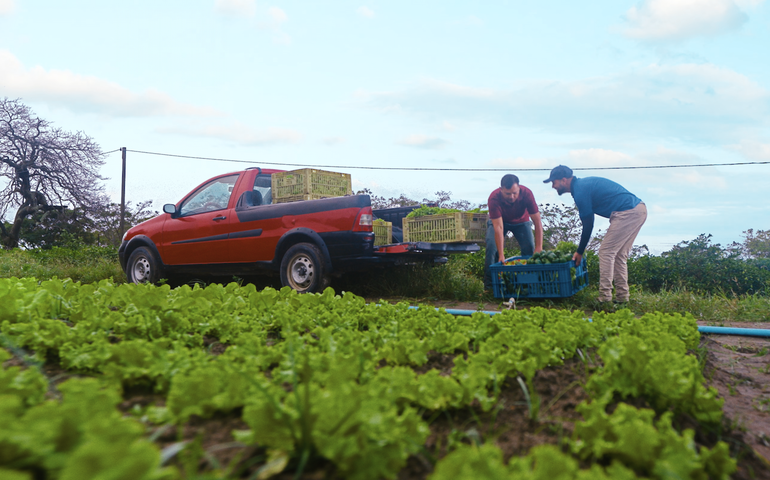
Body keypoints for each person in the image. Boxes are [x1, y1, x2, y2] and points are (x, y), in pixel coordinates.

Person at [543, 165, 647, 304]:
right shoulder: (580, 186)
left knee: (606, 252)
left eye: (553, 182)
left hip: (628, 212)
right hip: (638, 209)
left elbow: (588, 224)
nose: (553, 186)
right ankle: (622, 298)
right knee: (619, 255)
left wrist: (580, 251)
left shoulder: (580, 190)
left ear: (563, 180)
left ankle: (605, 298)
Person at [484, 174, 543, 290]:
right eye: (508, 193)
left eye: (514, 193)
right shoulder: (494, 198)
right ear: (501, 190)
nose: (512, 196)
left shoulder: (527, 194)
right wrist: (501, 254)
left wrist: (539, 247)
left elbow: (537, 222)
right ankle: (490, 287)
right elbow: (498, 228)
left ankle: (529, 285)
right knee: (492, 246)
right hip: (501, 222)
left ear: (519, 188)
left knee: (530, 248)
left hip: (522, 221)